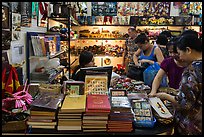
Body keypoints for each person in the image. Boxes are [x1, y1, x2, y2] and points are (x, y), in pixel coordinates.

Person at [151, 34, 202, 135]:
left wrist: (164, 96)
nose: (180, 57)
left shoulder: (192, 71)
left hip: (191, 125)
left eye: (179, 53)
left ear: (188, 50)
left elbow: (184, 104)